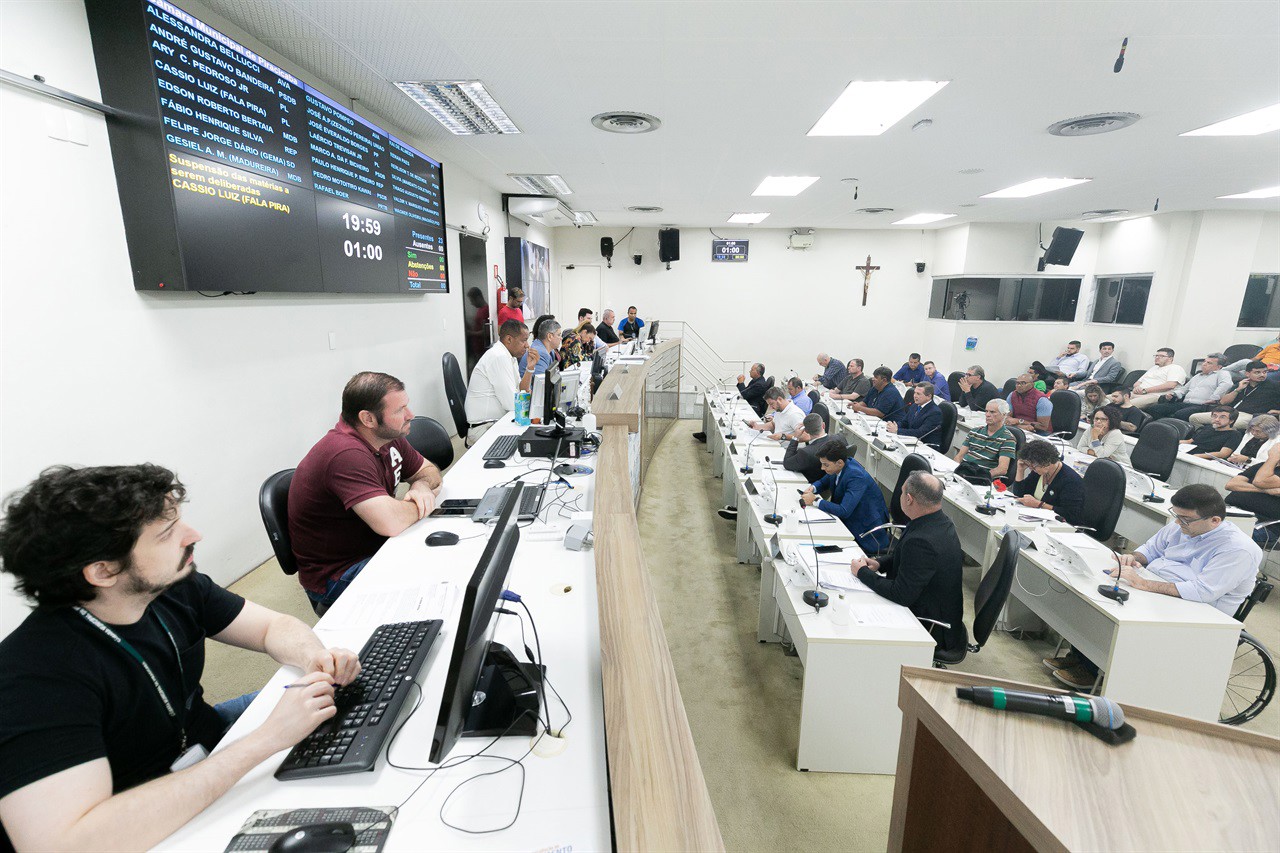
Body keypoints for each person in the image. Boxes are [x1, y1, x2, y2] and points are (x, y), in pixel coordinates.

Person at [0, 465, 360, 852]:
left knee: (359, 702)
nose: (194, 536)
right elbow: (63, 844)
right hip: (146, 815)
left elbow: (271, 628)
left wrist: (316, 658)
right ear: (103, 571)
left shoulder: (172, 585)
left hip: (208, 739)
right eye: (167, 533)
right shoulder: (31, 678)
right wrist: (267, 738)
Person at [1047, 484, 1261, 689]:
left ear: (1215, 520)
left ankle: (1094, 670)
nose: (1178, 524)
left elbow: (1201, 591)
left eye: (1185, 519)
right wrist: (1132, 557)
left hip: (1198, 611)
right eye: (1176, 516)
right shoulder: (1183, 526)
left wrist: (1144, 584)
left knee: (1118, 611)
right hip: (1160, 591)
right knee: (1096, 596)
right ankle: (1082, 657)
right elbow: (1150, 550)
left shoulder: (1238, 549)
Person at [289, 372, 443, 612]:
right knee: (435, 582)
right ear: (368, 418)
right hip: (338, 573)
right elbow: (390, 523)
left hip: (375, 545)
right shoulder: (345, 453)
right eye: (400, 410)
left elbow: (429, 471)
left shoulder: (387, 437)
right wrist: (422, 503)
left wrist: (421, 486)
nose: (410, 415)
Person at [850, 472, 964, 655]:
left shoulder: (922, 541)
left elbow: (901, 594)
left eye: (902, 493)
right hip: (935, 605)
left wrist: (863, 572)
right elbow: (904, 556)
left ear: (909, 499)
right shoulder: (936, 520)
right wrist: (879, 564)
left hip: (930, 625)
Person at [800, 442, 890, 552]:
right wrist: (813, 488)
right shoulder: (838, 467)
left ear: (839, 463)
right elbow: (824, 481)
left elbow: (844, 511)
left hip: (865, 530)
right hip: (849, 517)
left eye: (826, 465)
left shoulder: (856, 476)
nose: (822, 468)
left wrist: (815, 500)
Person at [466, 320, 534, 427]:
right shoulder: (499, 356)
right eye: (524, 340)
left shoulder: (510, 356)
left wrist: (530, 368)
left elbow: (521, 390)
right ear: (509, 339)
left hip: (498, 421)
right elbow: (512, 404)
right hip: (484, 427)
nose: (527, 345)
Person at [1009, 440, 1085, 525]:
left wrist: (1040, 504)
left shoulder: (1071, 481)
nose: (1031, 469)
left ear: (1047, 462)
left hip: (1059, 525)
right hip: (1037, 520)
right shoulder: (1039, 472)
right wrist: (1020, 470)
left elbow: (1071, 514)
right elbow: (1019, 493)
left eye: (1033, 467)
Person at [1189, 360, 1280, 429]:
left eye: (1264, 372)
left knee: (1230, 424)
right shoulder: (1241, 384)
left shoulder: (1275, 386)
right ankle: (1203, 439)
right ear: (1247, 374)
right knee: (1194, 418)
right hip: (1230, 413)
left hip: (1251, 416)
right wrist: (1237, 390)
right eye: (1257, 372)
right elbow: (1223, 402)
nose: (1262, 375)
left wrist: (1278, 412)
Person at [1142, 353, 1232, 420]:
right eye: (1204, 361)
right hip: (1185, 403)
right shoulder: (1198, 376)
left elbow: (1227, 384)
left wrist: (1214, 398)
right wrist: (1174, 394)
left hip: (1201, 406)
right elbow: (1184, 389)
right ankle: (1158, 430)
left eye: (1209, 363)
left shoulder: (1222, 374)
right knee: (1154, 409)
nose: (1204, 364)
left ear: (1219, 366)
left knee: (1180, 414)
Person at [1226, 443, 1280, 548]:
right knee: (1196, 523)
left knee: (1222, 537)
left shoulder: (1265, 468)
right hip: (1232, 512)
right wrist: (1265, 491)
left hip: (1263, 524)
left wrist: (1273, 458)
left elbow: (1259, 481)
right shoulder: (1261, 466)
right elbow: (1231, 484)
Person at [953, 400, 1017, 484]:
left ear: (1004, 414)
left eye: (992, 412)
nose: (987, 415)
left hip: (981, 478)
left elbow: (1002, 469)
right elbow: (959, 456)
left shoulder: (1008, 439)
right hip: (963, 472)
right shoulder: (975, 431)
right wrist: (957, 471)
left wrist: (981, 477)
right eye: (986, 411)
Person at [782, 413, 843, 483]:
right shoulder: (840, 438)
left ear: (805, 431)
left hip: (811, 486)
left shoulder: (806, 453)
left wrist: (795, 437)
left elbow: (787, 463)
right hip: (834, 483)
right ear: (823, 425)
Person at [887, 383, 944, 450]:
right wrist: (895, 425)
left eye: (918, 394)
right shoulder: (915, 405)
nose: (915, 396)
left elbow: (920, 433)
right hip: (912, 441)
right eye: (915, 393)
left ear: (928, 396)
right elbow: (905, 422)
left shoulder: (935, 412)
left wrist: (897, 430)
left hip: (926, 446)